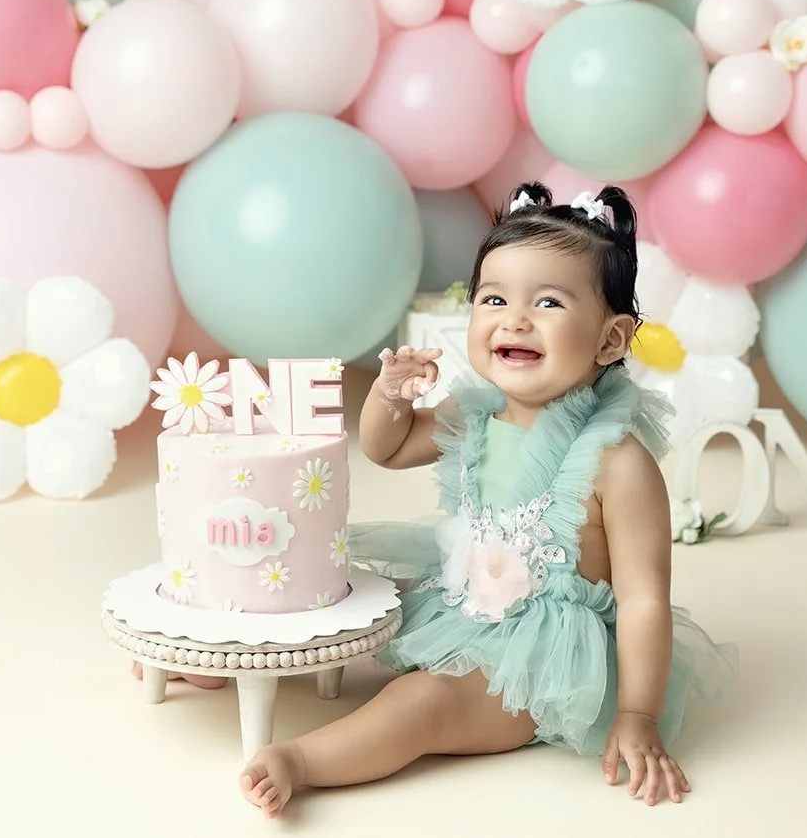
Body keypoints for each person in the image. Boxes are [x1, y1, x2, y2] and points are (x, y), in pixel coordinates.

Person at [237, 182, 738, 817]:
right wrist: (391, 396)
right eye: (494, 298)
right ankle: (236, 657)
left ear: (611, 341)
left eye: (548, 302)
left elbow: (643, 600)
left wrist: (638, 714)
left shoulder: (618, 462)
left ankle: (300, 760)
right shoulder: (477, 411)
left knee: (424, 703)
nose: (515, 319)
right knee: (343, 602)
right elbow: (390, 448)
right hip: (458, 602)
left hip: (540, 660)